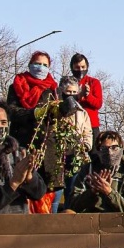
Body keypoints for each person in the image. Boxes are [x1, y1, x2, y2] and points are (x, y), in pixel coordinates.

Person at [42, 76, 93, 211]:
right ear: (61, 91)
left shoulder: (82, 112)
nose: (71, 95)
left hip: (75, 157)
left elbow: (88, 132)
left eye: (74, 92)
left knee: (72, 192)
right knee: (54, 194)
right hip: (56, 158)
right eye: (68, 92)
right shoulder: (54, 109)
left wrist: (86, 145)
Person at [66, 131, 124, 213]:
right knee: (67, 213)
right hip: (90, 218)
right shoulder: (87, 170)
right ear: (98, 151)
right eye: (104, 149)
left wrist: (109, 192)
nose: (110, 152)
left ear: (121, 148)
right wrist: (93, 191)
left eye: (114, 147)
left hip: (118, 220)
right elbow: (73, 205)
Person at [6, 50, 58, 149]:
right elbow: (11, 111)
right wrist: (34, 113)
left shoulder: (53, 90)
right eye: (37, 64)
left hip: (45, 143)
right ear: (30, 65)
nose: (41, 67)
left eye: (45, 65)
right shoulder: (17, 86)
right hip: (21, 141)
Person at [70, 53, 103, 147]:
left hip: (92, 126)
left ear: (87, 67)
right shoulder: (67, 82)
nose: (80, 70)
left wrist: (88, 96)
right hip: (72, 126)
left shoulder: (94, 82)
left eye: (83, 67)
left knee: (94, 156)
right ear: (72, 67)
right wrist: (78, 96)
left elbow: (98, 104)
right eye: (77, 67)